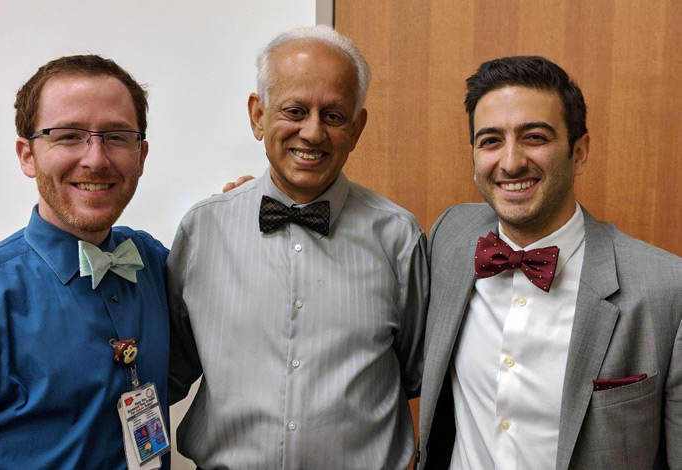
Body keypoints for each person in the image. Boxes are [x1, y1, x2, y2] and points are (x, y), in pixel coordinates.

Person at [168, 25, 429, 469]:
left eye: (333, 115)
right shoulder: (202, 231)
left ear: (357, 127)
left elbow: (414, 372)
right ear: (258, 116)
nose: (312, 132)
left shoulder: (400, 238)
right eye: (294, 110)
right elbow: (171, 367)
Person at [417, 56, 682, 469]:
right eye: (490, 140)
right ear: (473, 158)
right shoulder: (451, 236)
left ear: (578, 153)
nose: (510, 162)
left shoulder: (667, 289)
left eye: (534, 137)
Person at [0, 55, 171, 469]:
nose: (96, 159)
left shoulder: (154, 261)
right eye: (68, 136)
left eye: (118, 136)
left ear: (141, 154)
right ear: (27, 155)